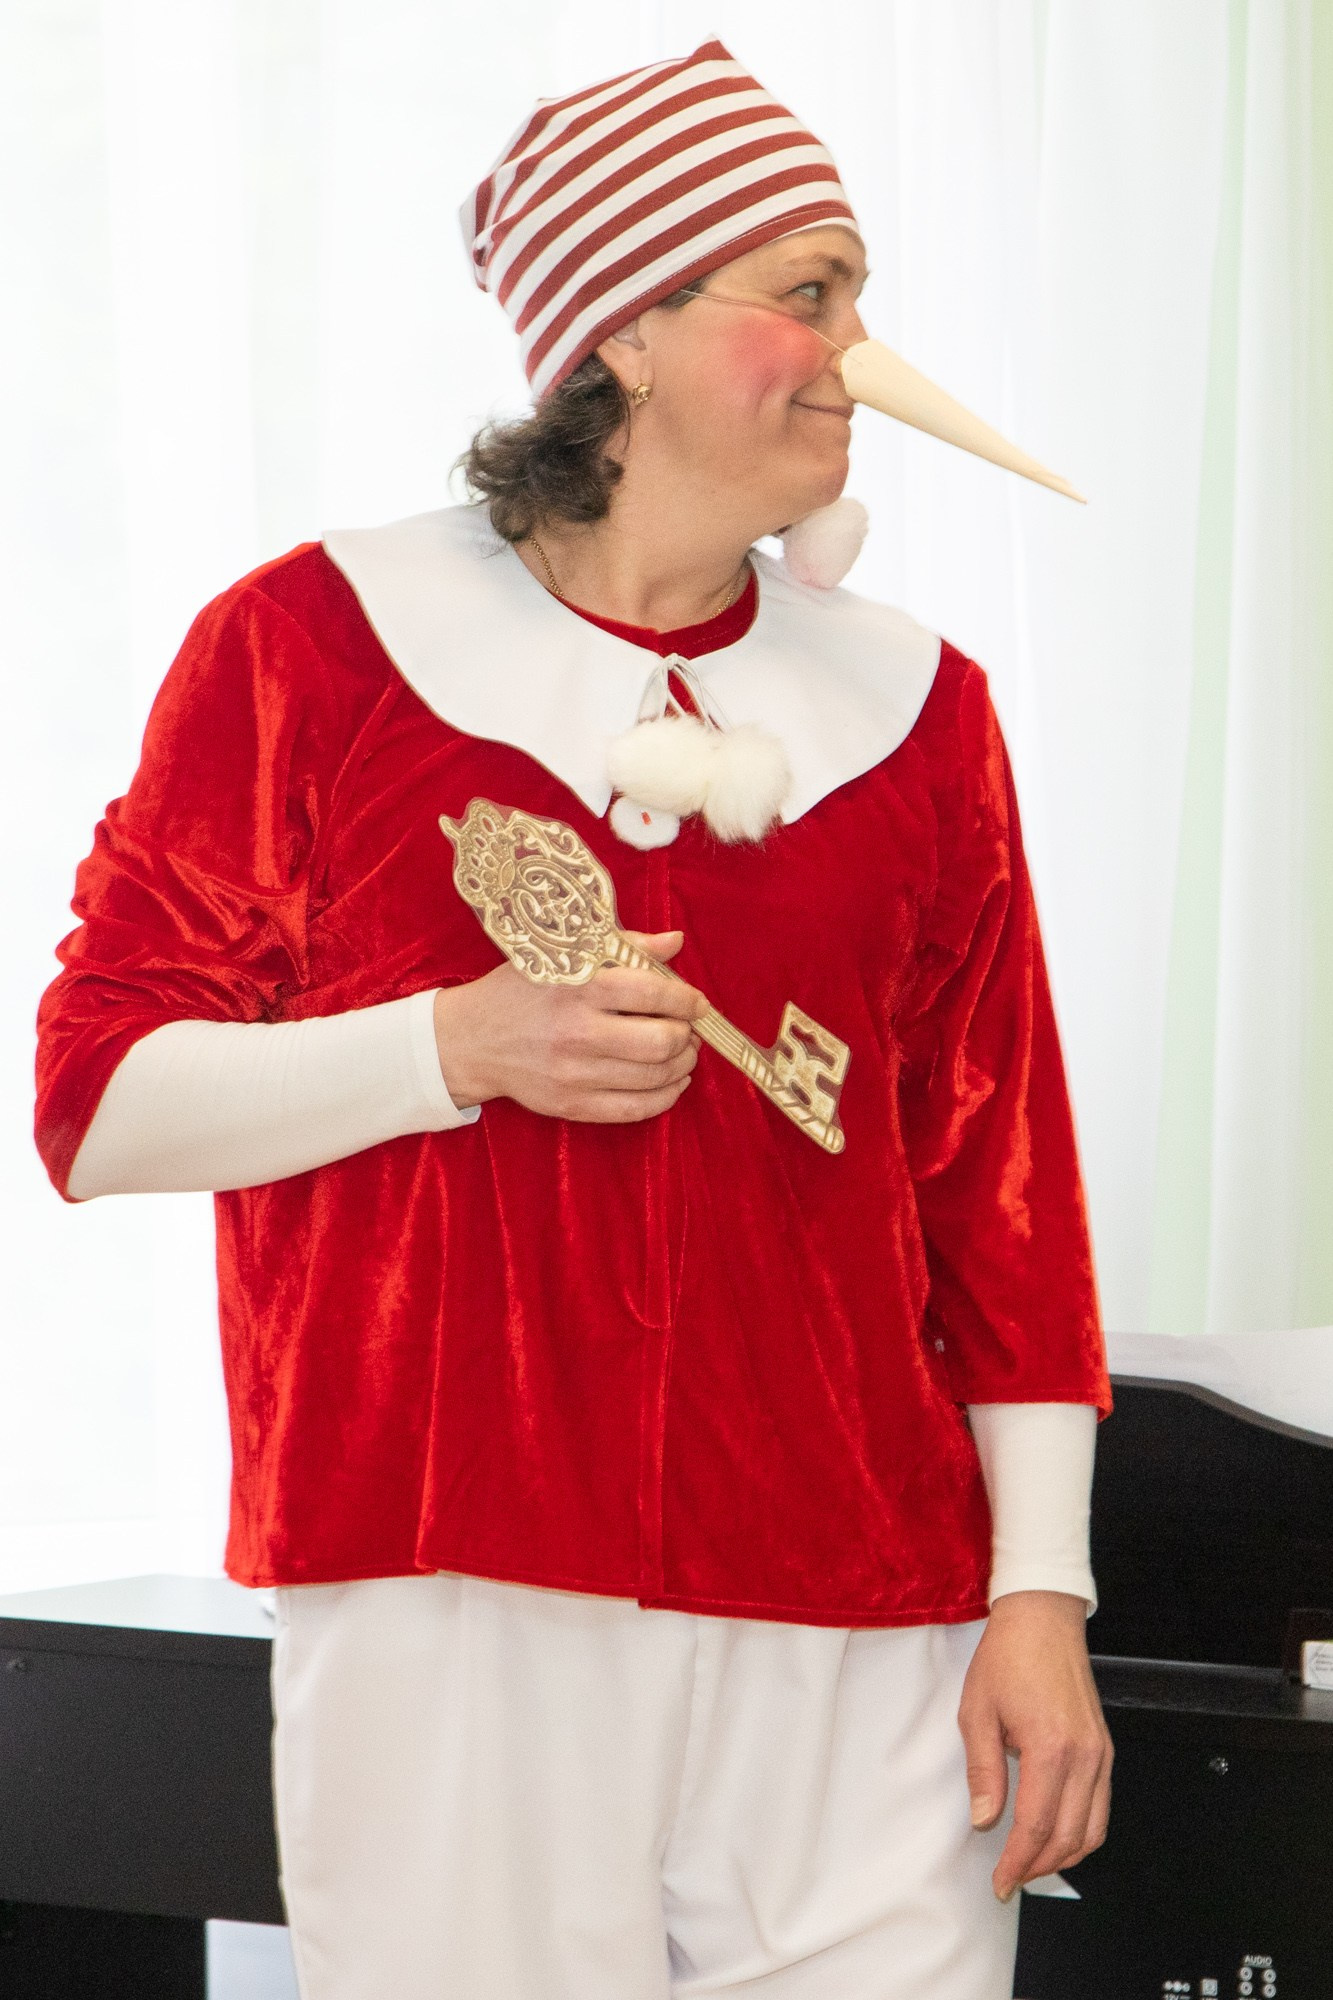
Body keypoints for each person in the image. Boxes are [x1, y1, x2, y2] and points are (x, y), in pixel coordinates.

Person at [35, 38, 1112, 2000]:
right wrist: (451, 1048)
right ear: (621, 329)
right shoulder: (309, 648)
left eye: (857, 296)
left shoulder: (922, 709)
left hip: (866, 1598)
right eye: (807, 294)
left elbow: (1001, 1188)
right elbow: (99, 1106)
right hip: (454, 1573)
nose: (857, 355)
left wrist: (1039, 1589)